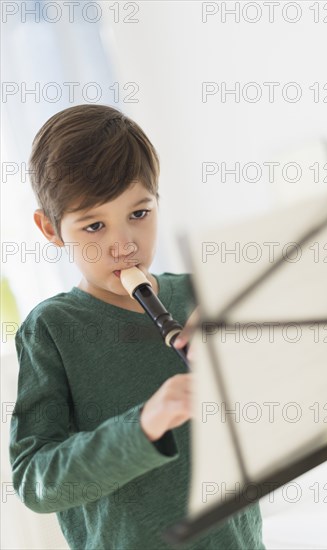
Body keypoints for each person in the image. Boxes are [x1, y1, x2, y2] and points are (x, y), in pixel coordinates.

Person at [9, 104, 265, 549]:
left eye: (140, 214)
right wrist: (142, 426)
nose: (124, 245)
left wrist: (248, 345)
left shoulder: (201, 294)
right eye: (93, 226)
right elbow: (36, 481)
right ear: (49, 229)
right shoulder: (51, 329)